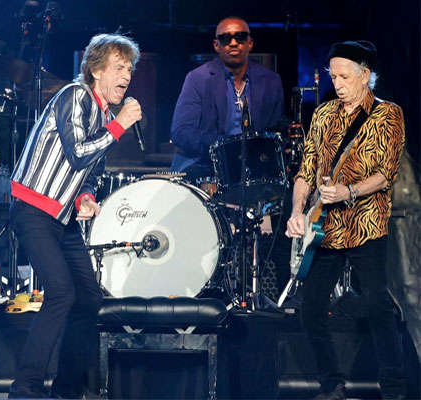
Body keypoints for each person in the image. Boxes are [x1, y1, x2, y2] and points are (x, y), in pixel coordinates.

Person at [7, 33, 141, 398]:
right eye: (119, 67)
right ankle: (25, 387)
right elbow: (79, 152)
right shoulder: (75, 95)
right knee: (61, 294)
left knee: (89, 298)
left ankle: (66, 389)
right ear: (96, 70)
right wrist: (120, 125)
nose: (126, 76)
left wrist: (85, 197)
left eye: (129, 69)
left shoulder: (104, 114)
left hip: (61, 218)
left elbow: (90, 173)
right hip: (33, 208)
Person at [285, 40, 406, 399]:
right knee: (310, 309)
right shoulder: (323, 114)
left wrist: (349, 191)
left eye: (344, 77)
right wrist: (296, 212)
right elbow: (306, 171)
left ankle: (394, 389)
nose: (336, 83)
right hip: (326, 228)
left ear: (365, 75)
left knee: (377, 304)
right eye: (333, 76)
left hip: (366, 224)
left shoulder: (388, 114)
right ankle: (331, 385)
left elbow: (385, 174)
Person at [170, 16, 284, 181]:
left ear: (250, 43)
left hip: (255, 170)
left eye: (240, 37)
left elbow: (275, 133)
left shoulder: (271, 81)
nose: (233, 43)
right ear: (216, 45)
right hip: (206, 165)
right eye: (225, 38)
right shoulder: (197, 78)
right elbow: (180, 131)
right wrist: (223, 151)